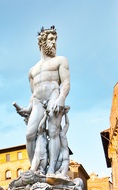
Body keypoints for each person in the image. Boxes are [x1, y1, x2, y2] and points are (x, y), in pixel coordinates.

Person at [14, 26, 70, 176]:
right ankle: (36, 168)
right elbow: (33, 94)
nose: (54, 42)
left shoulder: (60, 60)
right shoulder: (32, 70)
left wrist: (61, 98)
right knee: (29, 134)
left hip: (54, 95)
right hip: (38, 101)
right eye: (51, 39)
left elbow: (65, 83)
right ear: (42, 42)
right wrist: (27, 109)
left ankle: (51, 169)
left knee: (53, 132)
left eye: (55, 39)